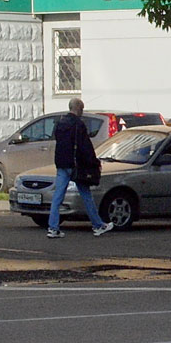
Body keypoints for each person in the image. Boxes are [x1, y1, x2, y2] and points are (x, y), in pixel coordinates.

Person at [46, 98, 113, 238]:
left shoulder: (60, 123)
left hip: (62, 164)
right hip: (76, 165)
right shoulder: (79, 124)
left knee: (57, 197)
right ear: (78, 109)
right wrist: (94, 163)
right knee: (86, 195)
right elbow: (85, 147)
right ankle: (98, 225)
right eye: (82, 109)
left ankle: (53, 228)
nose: (82, 112)